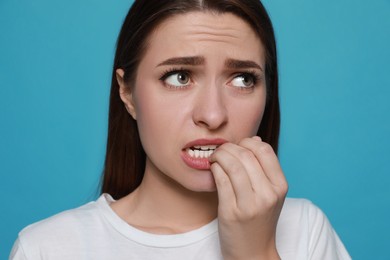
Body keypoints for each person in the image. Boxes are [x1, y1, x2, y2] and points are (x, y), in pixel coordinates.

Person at [10, 0, 351, 259]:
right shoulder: (48, 248)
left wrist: (255, 252)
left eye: (243, 79)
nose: (213, 115)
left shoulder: (306, 230)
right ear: (126, 92)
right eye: (179, 77)